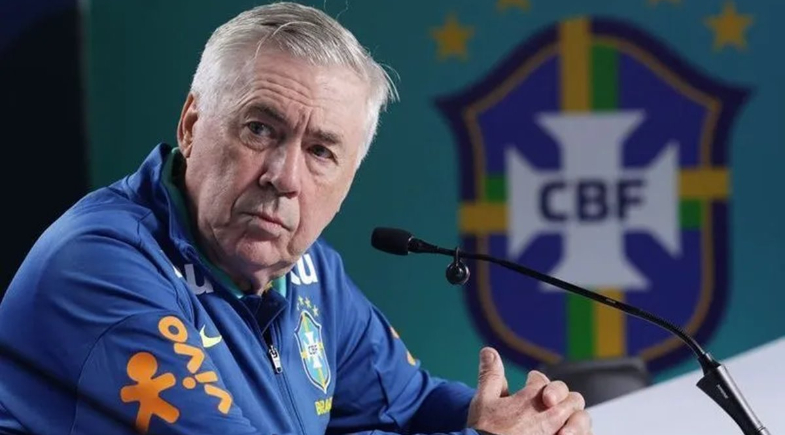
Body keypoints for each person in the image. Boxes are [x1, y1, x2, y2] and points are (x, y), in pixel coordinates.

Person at [0, 2, 591, 434]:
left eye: (321, 152)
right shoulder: (98, 266)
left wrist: (522, 418)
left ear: (349, 179)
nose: (284, 177)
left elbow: (410, 405)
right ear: (191, 126)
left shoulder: (310, 271)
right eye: (260, 129)